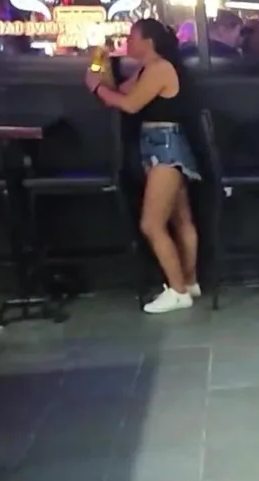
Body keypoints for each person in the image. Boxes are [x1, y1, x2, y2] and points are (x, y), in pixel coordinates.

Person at [84, 18, 202, 314]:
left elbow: (129, 104)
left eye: (132, 38)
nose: (128, 42)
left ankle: (178, 291)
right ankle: (189, 282)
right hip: (160, 144)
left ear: (148, 41)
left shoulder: (160, 68)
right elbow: (117, 92)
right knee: (180, 219)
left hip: (166, 148)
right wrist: (99, 62)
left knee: (152, 224)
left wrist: (96, 88)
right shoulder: (147, 69)